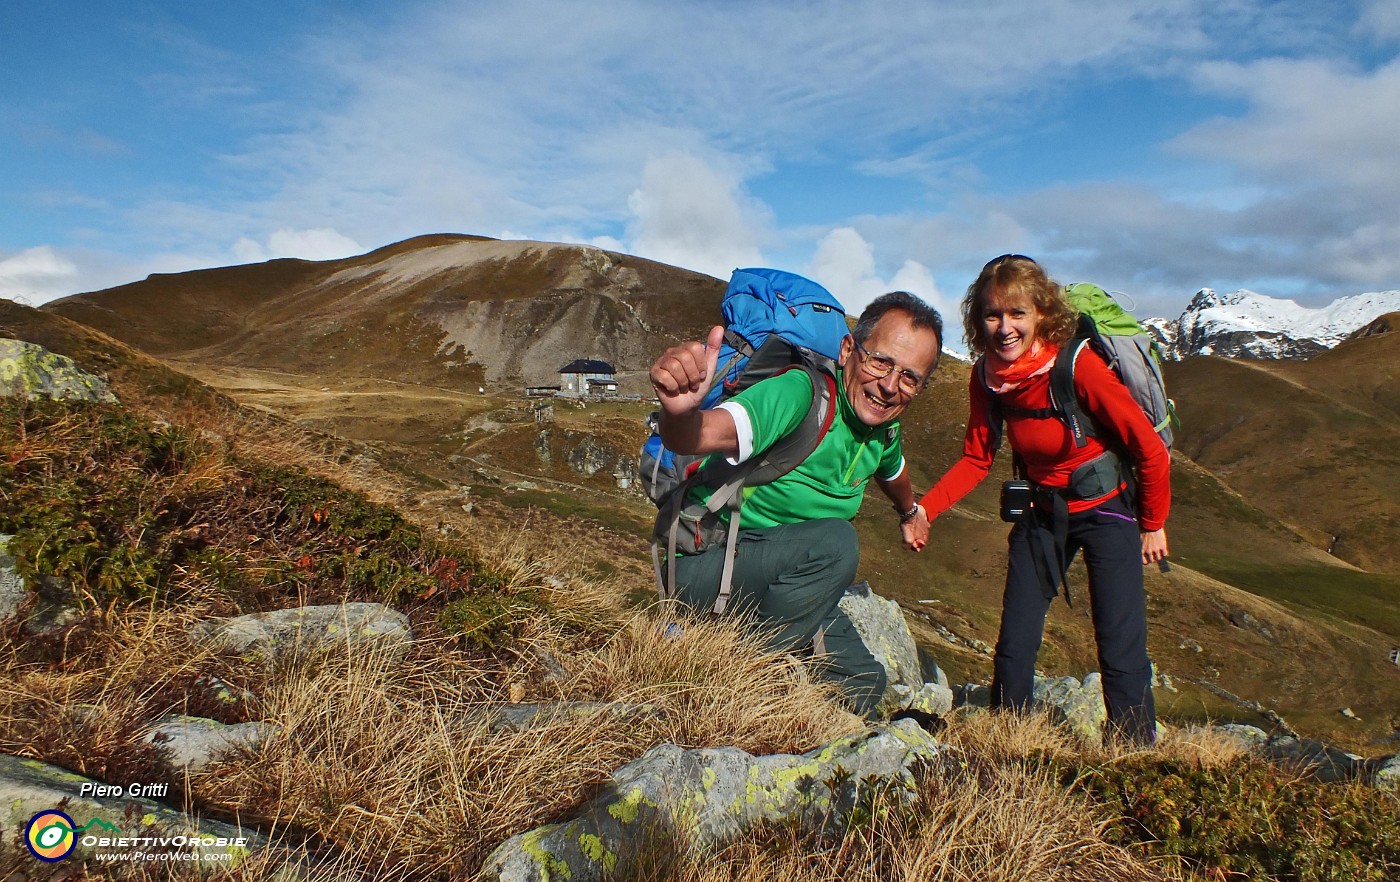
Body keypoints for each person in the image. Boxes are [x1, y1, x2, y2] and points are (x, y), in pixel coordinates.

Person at [911, 255, 1169, 743]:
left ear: (1041, 315)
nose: (1004, 327)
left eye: (1017, 314)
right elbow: (976, 459)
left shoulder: (1079, 367)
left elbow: (1149, 448)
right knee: (1015, 641)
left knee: (1119, 642)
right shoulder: (988, 377)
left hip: (1108, 509)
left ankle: (1134, 752)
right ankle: (1011, 742)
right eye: (992, 314)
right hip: (1043, 511)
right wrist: (927, 509)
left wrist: (1153, 522)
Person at [648, 291, 942, 718]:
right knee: (837, 543)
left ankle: (780, 675)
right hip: (704, 564)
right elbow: (707, 433)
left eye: (910, 377)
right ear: (847, 351)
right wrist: (680, 414)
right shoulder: (800, 394)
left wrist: (909, 512)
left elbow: (893, 472)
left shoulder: (883, 431)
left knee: (865, 687)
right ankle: (739, 676)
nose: (890, 386)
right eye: (880, 361)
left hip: (780, 574)